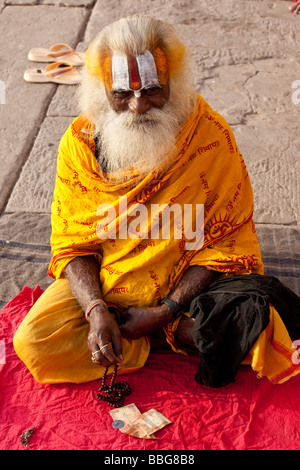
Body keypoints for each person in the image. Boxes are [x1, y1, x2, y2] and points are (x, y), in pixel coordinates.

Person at [13, 15, 300, 387]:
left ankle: (157, 334)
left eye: (152, 90)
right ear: (101, 91)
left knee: (261, 337)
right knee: (34, 343)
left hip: (191, 291)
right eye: (121, 93)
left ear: (173, 83)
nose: (137, 106)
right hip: (111, 286)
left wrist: (166, 310)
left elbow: (226, 243)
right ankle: (158, 338)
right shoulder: (80, 144)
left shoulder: (210, 136)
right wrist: (96, 310)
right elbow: (73, 242)